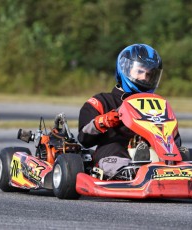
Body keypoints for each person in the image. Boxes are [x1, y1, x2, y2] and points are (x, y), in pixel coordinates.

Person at [77, 44, 185, 179]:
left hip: (153, 149)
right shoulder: (101, 101)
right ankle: (130, 171)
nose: (145, 78)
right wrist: (103, 122)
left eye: (149, 74)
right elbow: (83, 138)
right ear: (125, 69)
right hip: (115, 150)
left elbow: (175, 138)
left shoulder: (157, 104)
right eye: (140, 72)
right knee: (114, 149)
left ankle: (178, 168)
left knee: (189, 153)